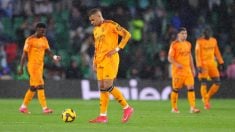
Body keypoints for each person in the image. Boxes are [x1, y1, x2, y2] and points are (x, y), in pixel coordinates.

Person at [88, 8, 133, 123]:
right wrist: (94, 61)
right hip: (100, 61)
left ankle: (127, 108)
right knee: (102, 87)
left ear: (99, 16)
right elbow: (96, 47)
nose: (91, 22)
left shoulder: (111, 24)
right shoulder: (95, 30)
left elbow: (127, 35)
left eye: (93, 20)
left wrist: (118, 48)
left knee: (108, 85)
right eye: (90, 21)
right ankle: (103, 116)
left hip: (110, 59)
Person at [18, 23, 61, 114]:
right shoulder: (29, 40)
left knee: (33, 87)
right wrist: (21, 67)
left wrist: (54, 57)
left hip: (40, 66)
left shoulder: (44, 39)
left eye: (44, 31)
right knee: (40, 84)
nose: (43, 33)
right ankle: (45, 108)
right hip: (32, 66)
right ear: (37, 29)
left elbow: (48, 51)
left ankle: (23, 107)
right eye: (42, 31)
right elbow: (24, 55)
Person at [168, 27, 200, 113]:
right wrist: (176, 64)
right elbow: (170, 58)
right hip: (177, 72)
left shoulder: (188, 44)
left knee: (191, 87)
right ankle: (174, 108)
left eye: (185, 33)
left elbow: (190, 57)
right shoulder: (174, 44)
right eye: (182, 33)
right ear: (178, 34)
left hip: (187, 70)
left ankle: (193, 107)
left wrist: (193, 68)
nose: (184, 35)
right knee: (176, 89)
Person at [195, 28, 224, 110]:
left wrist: (221, 62)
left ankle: (206, 97)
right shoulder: (199, 41)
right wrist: (199, 66)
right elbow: (197, 54)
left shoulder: (214, 41)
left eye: (209, 33)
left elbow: (217, 52)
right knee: (203, 82)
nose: (207, 34)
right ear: (203, 34)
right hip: (203, 65)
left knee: (217, 82)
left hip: (212, 64)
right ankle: (206, 103)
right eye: (206, 33)